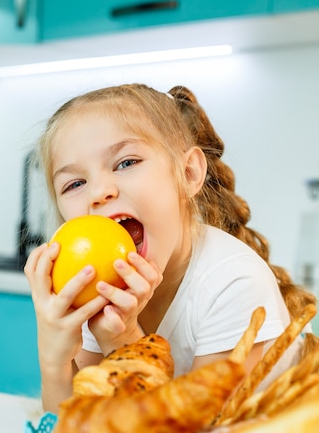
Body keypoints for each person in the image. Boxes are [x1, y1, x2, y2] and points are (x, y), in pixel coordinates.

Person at [24, 83, 318, 414]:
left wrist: (121, 342)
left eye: (126, 162)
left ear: (189, 173)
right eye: (74, 184)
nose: (99, 192)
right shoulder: (99, 290)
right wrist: (54, 357)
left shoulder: (233, 283)